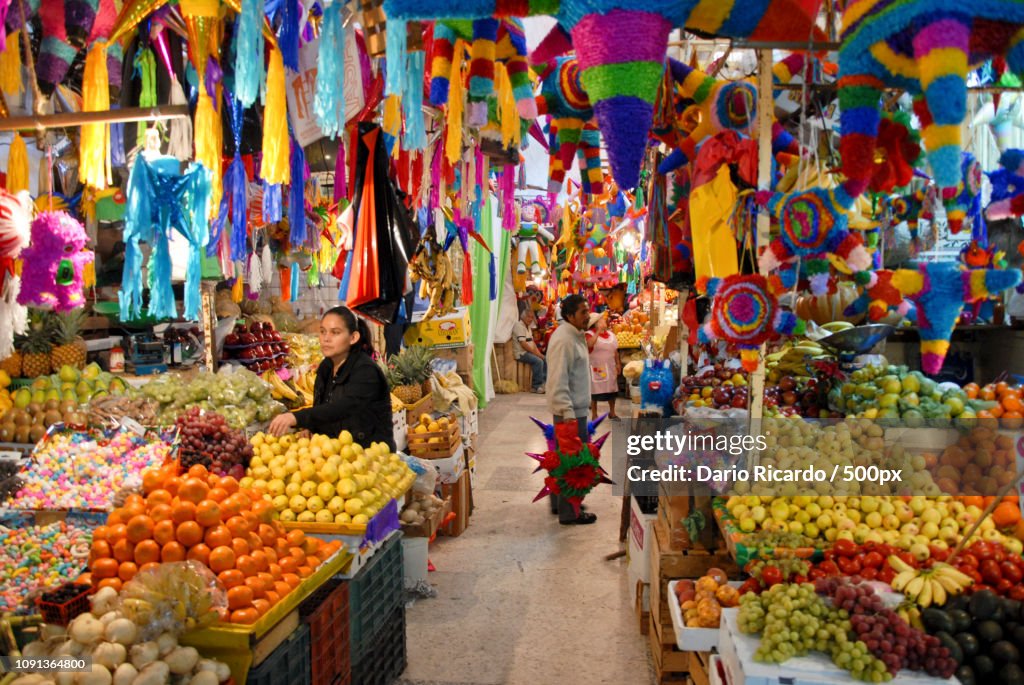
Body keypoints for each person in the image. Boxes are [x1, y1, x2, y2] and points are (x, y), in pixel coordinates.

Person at [267, 306, 395, 451]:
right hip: (335, 455)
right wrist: (312, 428)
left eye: (335, 332)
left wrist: (297, 417)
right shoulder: (326, 367)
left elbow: (343, 407)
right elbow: (323, 407)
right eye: (323, 332)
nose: (326, 338)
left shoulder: (366, 371)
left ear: (353, 337)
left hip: (371, 457)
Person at [545, 294, 597, 525]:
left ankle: (561, 503)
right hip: (570, 413)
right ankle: (570, 512)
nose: (588, 316)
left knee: (564, 460)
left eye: (588, 311)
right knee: (574, 466)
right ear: (569, 315)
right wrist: (567, 414)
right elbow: (558, 380)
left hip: (574, 410)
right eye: (583, 312)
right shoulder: (565, 339)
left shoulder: (575, 335)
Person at [586, 312, 621, 421]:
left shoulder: (611, 335)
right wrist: (597, 332)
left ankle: (612, 412)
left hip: (610, 368)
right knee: (595, 391)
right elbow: (589, 345)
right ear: (595, 323)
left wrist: (618, 363)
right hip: (596, 368)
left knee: (612, 390)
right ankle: (595, 414)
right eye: (601, 320)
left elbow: (615, 351)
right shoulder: (589, 334)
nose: (604, 320)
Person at [512, 301, 546, 393]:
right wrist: (535, 354)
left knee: (545, 359)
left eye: (531, 317)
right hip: (521, 353)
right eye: (528, 317)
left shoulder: (528, 327)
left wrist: (539, 354)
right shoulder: (519, 326)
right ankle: (536, 386)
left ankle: (544, 383)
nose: (530, 319)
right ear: (523, 316)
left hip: (528, 352)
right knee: (538, 361)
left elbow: (532, 343)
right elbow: (523, 344)